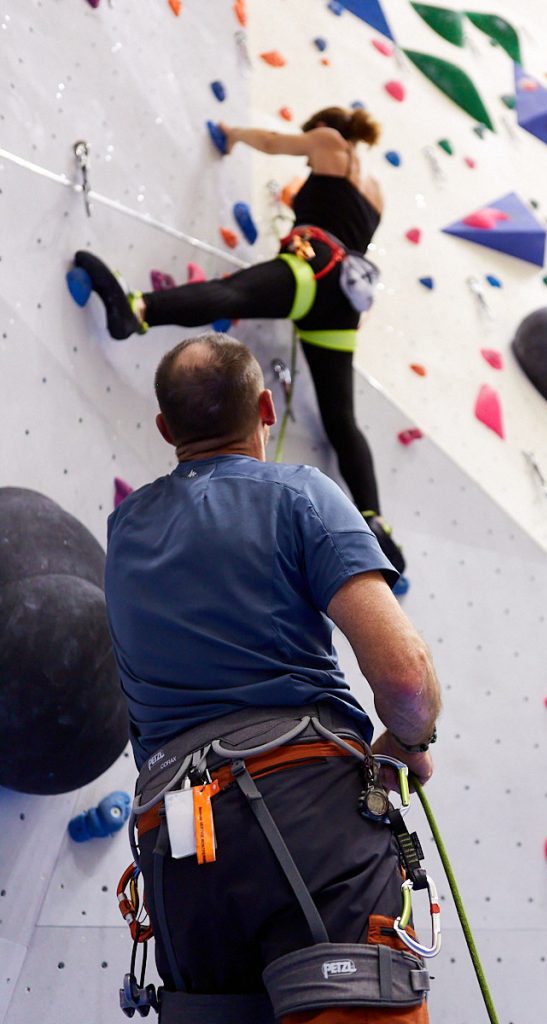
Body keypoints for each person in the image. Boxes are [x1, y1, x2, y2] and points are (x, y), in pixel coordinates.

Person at [105, 333, 441, 1024]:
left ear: (167, 430)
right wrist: (408, 743)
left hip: (178, 847)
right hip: (303, 810)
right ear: (264, 406)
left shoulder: (126, 528)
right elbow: (405, 678)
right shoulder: (298, 493)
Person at [74, 105, 406, 575]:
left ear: (324, 129)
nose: (311, 164)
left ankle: (138, 310)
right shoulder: (377, 192)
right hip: (344, 305)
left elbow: (273, 142)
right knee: (341, 418)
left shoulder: (329, 142)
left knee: (233, 293)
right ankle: (375, 522)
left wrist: (233, 135)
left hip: (314, 269)